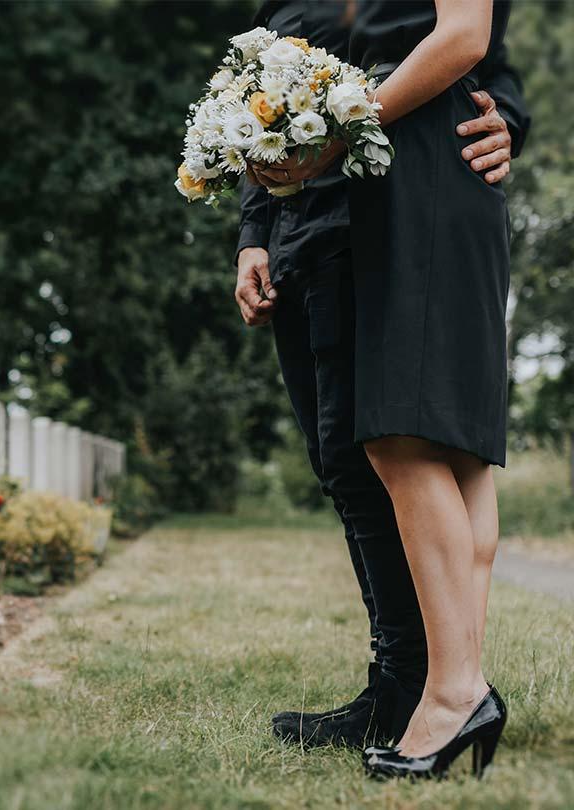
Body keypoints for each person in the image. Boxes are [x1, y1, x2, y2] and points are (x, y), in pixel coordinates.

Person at [234, 0, 530, 761]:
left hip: (403, 185)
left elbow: (468, 38)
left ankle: (444, 688)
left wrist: (337, 139)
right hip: (324, 210)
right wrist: (255, 230)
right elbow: (262, 93)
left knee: (408, 440)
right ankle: (440, 685)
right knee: (386, 453)